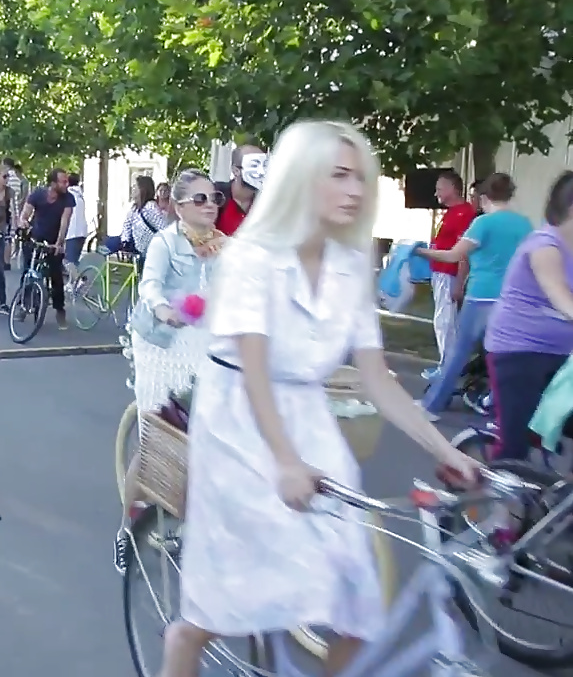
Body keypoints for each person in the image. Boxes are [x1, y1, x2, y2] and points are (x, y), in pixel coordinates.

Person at [157, 120, 476, 677]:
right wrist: (283, 460)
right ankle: (184, 642)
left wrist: (449, 452)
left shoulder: (351, 265)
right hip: (240, 422)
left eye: (361, 178)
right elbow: (253, 368)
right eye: (340, 176)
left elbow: (378, 379)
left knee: (355, 594)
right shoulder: (251, 257)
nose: (356, 190)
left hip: (307, 417)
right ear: (302, 180)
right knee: (235, 591)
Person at [113, 169, 226, 574]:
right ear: (178, 207)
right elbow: (150, 286)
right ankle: (127, 531)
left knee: (207, 442)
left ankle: (188, 527)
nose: (211, 204)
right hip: (163, 347)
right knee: (159, 442)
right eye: (200, 199)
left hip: (206, 346)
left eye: (214, 198)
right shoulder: (165, 242)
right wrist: (163, 308)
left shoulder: (223, 247)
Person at [416, 173, 533, 420]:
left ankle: (432, 406)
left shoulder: (483, 223)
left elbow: (453, 255)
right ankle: (500, 405)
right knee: (501, 355)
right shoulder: (525, 225)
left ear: (483, 197)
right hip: (511, 298)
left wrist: (419, 251)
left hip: (481, 296)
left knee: (460, 352)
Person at [485, 171, 573, 459]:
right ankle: (501, 502)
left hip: (563, 354)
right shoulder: (545, 245)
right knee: (515, 444)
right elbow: (561, 298)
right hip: (519, 351)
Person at [422, 171, 476, 381]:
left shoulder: (464, 214)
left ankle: (448, 369)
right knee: (443, 321)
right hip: (440, 273)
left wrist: (459, 283)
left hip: (449, 273)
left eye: (440, 187)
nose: (437, 192)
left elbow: (464, 251)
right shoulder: (452, 212)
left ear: (453, 188)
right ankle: (446, 365)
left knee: (445, 322)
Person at [19, 168, 75, 329]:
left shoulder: (68, 199)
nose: (67, 184)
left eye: (67, 181)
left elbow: (65, 221)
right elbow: (26, 213)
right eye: (63, 181)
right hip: (36, 239)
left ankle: (59, 310)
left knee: (56, 277)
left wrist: (59, 243)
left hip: (53, 242)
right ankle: (24, 304)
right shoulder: (38, 194)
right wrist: (23, 221)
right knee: (27, 272)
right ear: (53, 183)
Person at [214, 144, 266, 235]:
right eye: (254, 165)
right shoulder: (216, 196)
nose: (261, 172)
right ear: (236, 171)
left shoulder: (266, 202)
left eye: (265, 165)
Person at [118, 175, 167, 260]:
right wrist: (125, 243)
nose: (132, 189)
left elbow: (163, 228)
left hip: (153, 253)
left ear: (143, 190)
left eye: (135, 187)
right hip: (140, 252)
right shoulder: (134, 209)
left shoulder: (150, 207)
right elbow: (127, 225)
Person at [64, 173, 88, 283]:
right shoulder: (80, 195)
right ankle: (71, 284)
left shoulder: (68, 195)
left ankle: (80, 280)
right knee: (74, 261)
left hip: (71, 232)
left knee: (67, 261)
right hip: (82, 231)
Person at [2, 157, 21, 270]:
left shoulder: (4, 175)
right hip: (11, 211)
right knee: (8, 238)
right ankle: (7, 261)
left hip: (7, 212)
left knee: (6, 238)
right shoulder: (18, 179)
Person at [0, 170, 13, 313]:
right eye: (4, 176)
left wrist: (11, 233)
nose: (7, 179)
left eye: (8, 176)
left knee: (0, 268)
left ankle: (1, 302)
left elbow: (13, 214)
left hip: (1, 232)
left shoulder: (9, 193)